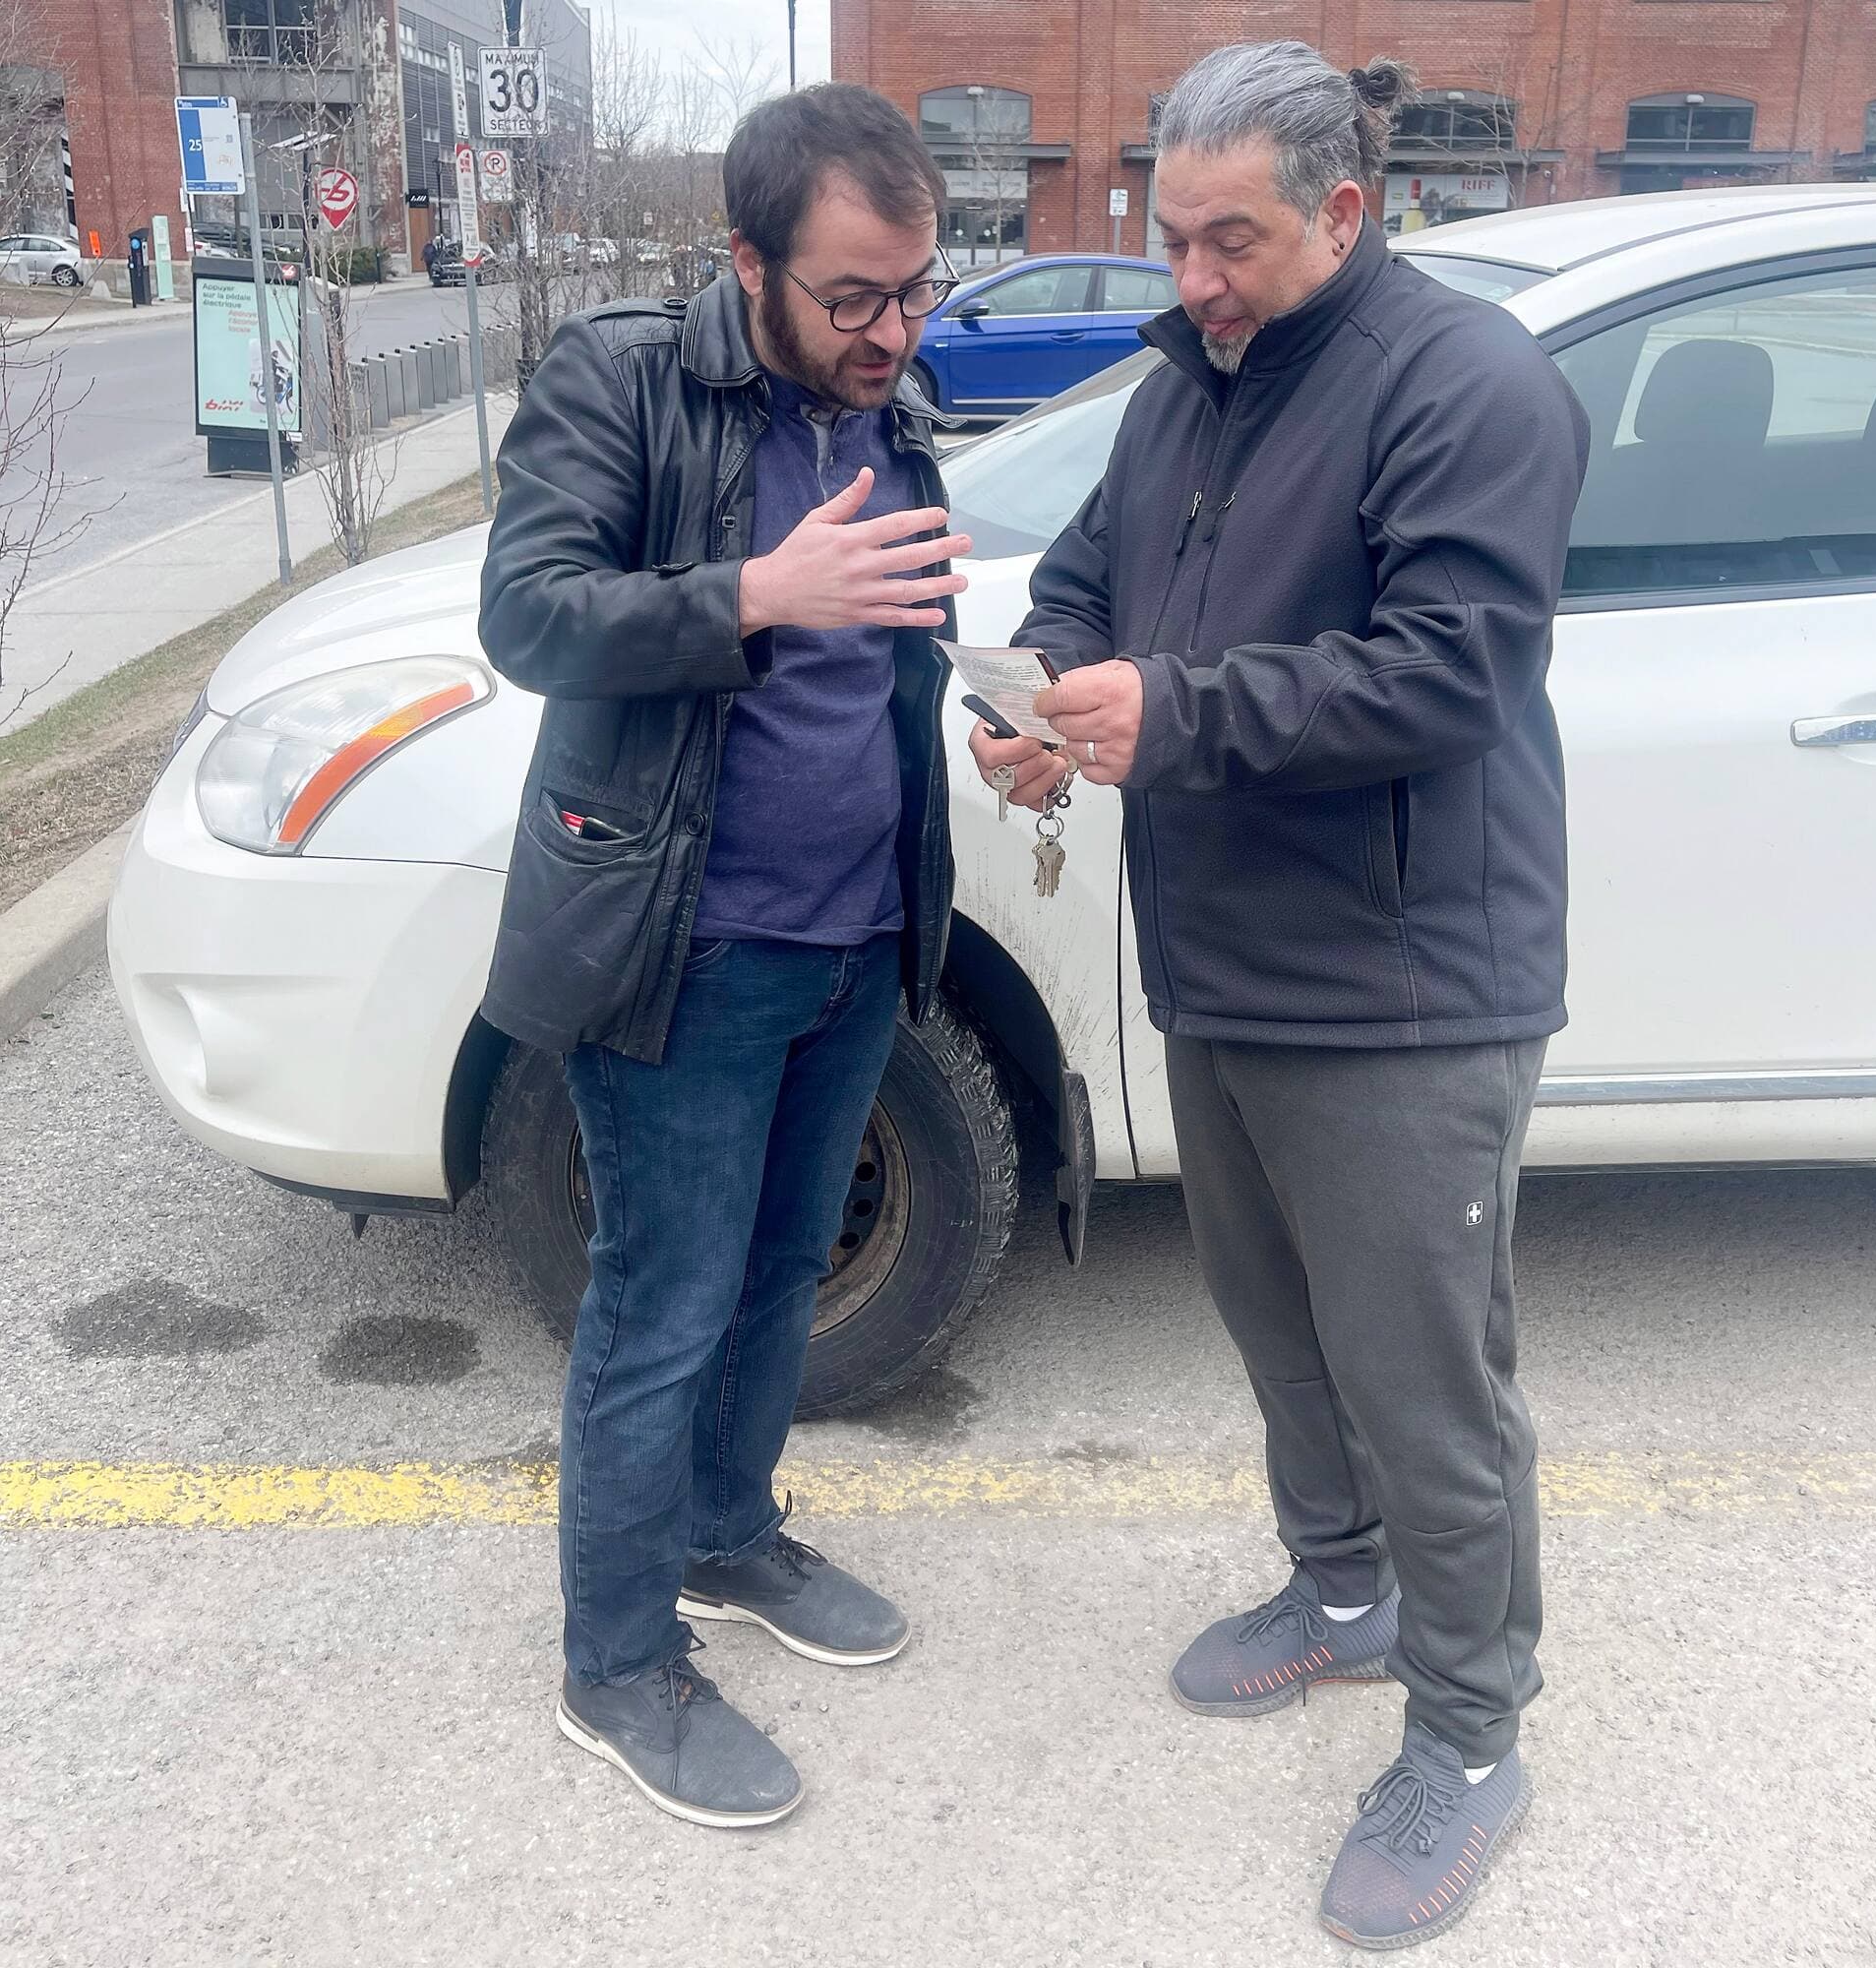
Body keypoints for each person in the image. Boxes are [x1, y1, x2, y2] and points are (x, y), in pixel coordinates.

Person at [972, 40, 1589, 1950]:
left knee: (1426, 1381)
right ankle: (1342, 1596)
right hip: (1227, 959)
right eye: (1171, 237)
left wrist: (1175, 713)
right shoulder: (1191, 389)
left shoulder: (1467, 387)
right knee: (1275, 1324)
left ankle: (1472, 1735)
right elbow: (1085, 577)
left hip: (1405, 983)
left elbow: (1444, 674)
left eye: (1230, 240)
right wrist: (1047, 699)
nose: (1195, 280)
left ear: (1345, 208)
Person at [475, 85, 968, 1829]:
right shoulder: (622, 378)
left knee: (776, 1281)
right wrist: (755, 592)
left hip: (852, 936)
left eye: (916, 290)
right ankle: (614, 1668)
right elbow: (528, 614)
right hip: (683, 945)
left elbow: (890, 641)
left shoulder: (887, 404)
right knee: (662, 1306)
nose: (892, 331)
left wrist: (982, 716)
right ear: (746, 260)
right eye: (853, 296)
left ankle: (725, 1534)